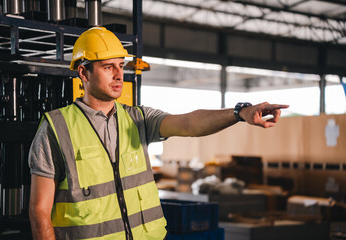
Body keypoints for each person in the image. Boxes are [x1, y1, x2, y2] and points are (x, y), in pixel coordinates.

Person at [28, 27, 288, 240]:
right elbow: (40, 211)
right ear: (83, 72)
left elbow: (189, 123)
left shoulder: (138, 118)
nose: (120, 75)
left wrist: (239, 112)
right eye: (109, 67)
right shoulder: (56, 128)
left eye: (121, 65)